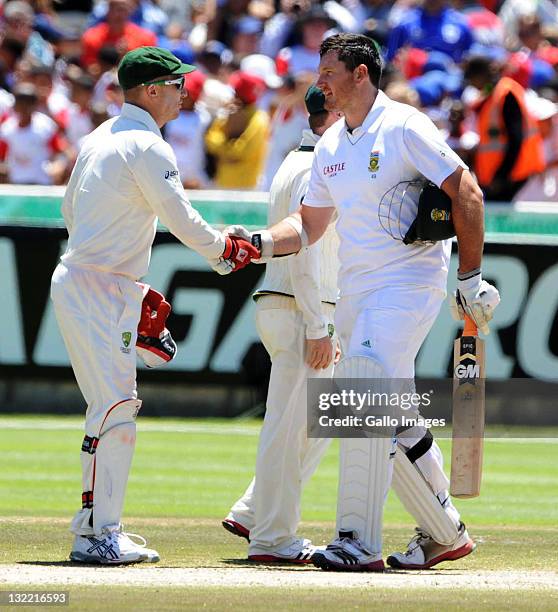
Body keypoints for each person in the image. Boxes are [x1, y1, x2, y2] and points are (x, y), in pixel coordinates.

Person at [228, 33, 500, 571]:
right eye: (319, 72)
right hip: (354, 292)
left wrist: (470, 278)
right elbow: (307, 225)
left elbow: (465, 190)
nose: (319, 81)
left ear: (361, 74)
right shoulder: (329, 146)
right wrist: (256, 243)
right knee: (384, 411)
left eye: (329, 72)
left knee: (362, 388)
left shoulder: (403, 124)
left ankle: (356, 540)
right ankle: (444, 530)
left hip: (408, 283)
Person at [50, 46, 259, 565]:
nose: (184, 93)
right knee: (116, 409)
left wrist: (121, 281)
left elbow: (70, 209)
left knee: (114, 408)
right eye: (177, 85)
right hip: (99, 285)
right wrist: (223, 253)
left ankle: (98, 529)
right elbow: (179, 215)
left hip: (95, 280)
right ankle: (97, 534)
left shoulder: (99, 136)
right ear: (151, 91)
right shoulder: (146, 145)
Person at [222, 85, 341, 563]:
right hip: (300, 306)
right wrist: (317, 324)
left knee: (318, 425)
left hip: (291, 304)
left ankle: (255, 511)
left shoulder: (296, 159)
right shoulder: (317, 168)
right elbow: (304, 252)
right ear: (332, 114)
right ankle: (272, 537)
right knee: (290, 425)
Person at [464, 55, 545, 201]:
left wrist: (501, 176)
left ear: (482, 74)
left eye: (473, 78)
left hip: (515, 176)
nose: (472, 83)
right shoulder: (491, 95)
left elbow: (516, 138)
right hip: (500, 178)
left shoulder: (506, 93)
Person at [205, 70, 269, 189]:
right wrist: (228, 149)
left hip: (246, 187)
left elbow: (242, 151)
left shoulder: (259, 118)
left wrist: (223, 150)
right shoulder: (229, 112)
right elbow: (210, 140)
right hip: (222, 183)